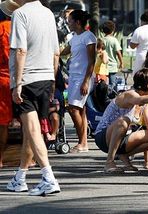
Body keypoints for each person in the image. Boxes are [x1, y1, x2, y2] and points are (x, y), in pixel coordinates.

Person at [7, 0, 60, 196]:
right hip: (46, 77)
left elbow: (20, 50)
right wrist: (53, 80)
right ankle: (20, 177)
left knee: (31, 129)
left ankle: (48, 177)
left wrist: (18, 83)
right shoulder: (48, 13)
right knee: (33, 131)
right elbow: (56, 52)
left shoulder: (20, 14)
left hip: (28, 78)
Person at [94, 68, 148, 173]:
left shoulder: (146, 102)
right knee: (123, 121)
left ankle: (124, 156)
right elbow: (139, 100)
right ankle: (109, 162)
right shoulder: (130, 94)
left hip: (123, 138)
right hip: (104, 137)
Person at [60, 10, 96, 153]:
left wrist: (86, 81)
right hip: (74, 77)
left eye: (70, 21)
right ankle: (84, 143)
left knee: (73, 108)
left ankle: (82, 142)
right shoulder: (74, 37)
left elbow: (92, 60)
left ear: (78, 22)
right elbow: (64, 51)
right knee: (79, 109)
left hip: (83, 78)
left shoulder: (88, 36)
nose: (68, 24)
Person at [0, 0, 21, 168]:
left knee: (2, 122)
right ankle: (29, 159)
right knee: (29, 121)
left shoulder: (2, 29)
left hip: (3, 79)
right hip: (24, 78)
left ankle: (0, 158)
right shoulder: (23, 28)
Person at [100, 20, 123, 87]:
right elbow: (118, 53)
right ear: (113, 30)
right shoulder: (114, 40)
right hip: (112, 66)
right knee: (112, 83)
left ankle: (104, 94)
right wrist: (121, 63)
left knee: (103, 82)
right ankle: (111, 95)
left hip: (103, 66)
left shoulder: (101, 40)